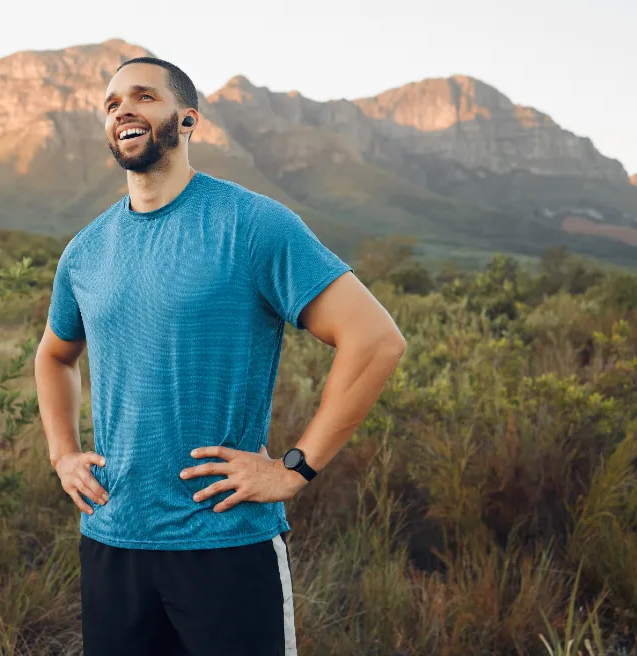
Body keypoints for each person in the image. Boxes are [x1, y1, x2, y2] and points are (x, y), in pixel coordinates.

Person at [33, 56, 406, 656]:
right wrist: (62, 454)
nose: (123, 109)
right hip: (112, 542)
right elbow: (54, 357)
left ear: (187, 120)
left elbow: (376, 339)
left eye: (143, 97)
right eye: (111, 103)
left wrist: (294, 468)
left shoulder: (252, 224)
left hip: (226, 545)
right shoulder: (85, 251)